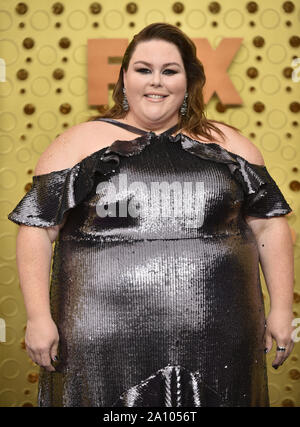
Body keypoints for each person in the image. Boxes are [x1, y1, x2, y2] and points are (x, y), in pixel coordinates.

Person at [8, 23, 295, 407]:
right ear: (124, 77)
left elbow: (268, 226)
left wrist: (280, 309)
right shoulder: (77, 144)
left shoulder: (230, 146)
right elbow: (37, 231)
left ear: (189, 82)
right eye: (143, 69)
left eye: (169, 70)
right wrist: (38, 317)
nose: (155, 82)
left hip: (218, 339)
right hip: (102, 342)